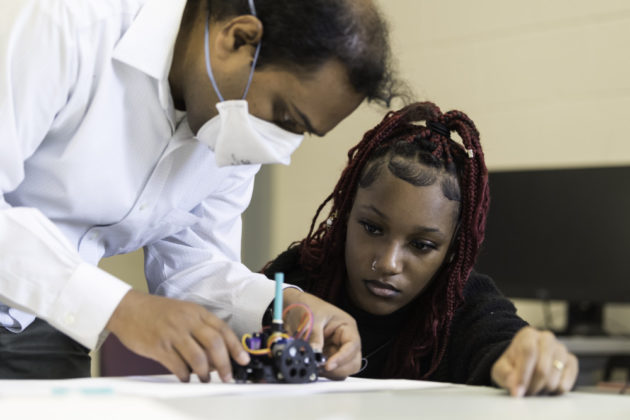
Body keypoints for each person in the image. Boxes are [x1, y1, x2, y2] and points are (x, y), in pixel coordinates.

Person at [0, 0, 399, 381]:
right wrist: (119, 306)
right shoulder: (67, 21)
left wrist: (278, 306)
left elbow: (193, 262)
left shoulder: (230, 122)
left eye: (301, 132)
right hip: (57, 310)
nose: (280, 147)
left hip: (44, 324)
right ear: (238, 39)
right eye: (285, 117)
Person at [263, 102, 579, 396]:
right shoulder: (294, 280)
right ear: (345, 214)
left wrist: (530, 355)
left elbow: (501, 341)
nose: (388, 263)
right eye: (372, 228)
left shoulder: (465, 305)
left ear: (451, 250)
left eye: (422, 245)